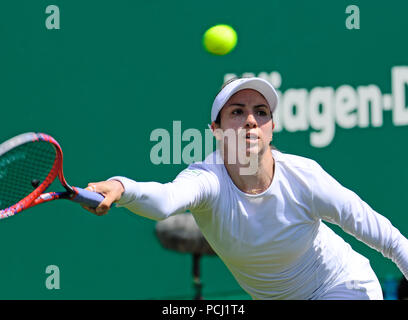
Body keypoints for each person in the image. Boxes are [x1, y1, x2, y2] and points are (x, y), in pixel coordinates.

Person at [82, 77, 408, 300]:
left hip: (343, 286)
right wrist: (122, 187)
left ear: (271, 128)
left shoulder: (305, 178)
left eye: (261, 112)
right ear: (217, 130)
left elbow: (390, 240)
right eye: (237, 112)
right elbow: (166, 201)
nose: (251, 120)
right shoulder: (206, 179)